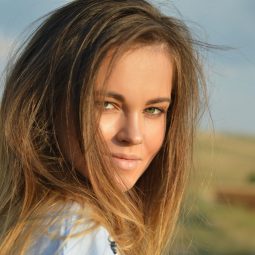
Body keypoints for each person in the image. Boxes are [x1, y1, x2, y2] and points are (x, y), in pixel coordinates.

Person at [0, 0, 206, 254]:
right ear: (46, 102)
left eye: (153, 110)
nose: (133, 135)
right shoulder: (77, 233)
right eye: (107, 104)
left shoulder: (34, 223)